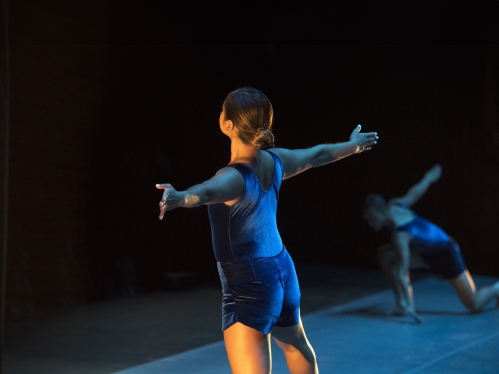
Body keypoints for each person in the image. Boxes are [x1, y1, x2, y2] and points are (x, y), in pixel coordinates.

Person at [156, 87, 378, 373]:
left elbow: (203, 192)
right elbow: (317, 155)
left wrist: (178, 197)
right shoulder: (276, 162)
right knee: (296, 345)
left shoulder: (232, 177)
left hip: (249, 282)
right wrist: (353, 146)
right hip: (283, 270)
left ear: (228, 124)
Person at [363, 164, 499, 323]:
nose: (371, 224)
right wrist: (428, 178)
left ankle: (496, 288)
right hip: (426, 254)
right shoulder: (395, 205)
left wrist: (411, 308)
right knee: (385, 255)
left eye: (372, 218)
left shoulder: (400, 235)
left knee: (474, 304)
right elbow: (414, 193)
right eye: (368, 220)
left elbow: (402, 271)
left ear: (381, 211)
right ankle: (402, 304)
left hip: (446, 252)